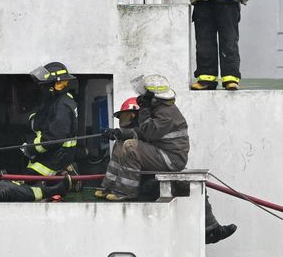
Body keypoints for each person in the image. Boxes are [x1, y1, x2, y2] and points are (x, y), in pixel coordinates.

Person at [98, 74, 237, 244]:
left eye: (146, 96)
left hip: (170, 158)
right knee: (122, 143)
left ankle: (126, 192)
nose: (142, 99)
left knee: (130, 147)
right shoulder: (160, 110)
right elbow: (143, 133)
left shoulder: (166, 113)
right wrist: (120, 133)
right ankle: (109, 187)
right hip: (160, 152)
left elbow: (148, 132)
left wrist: (144, 111)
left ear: (154, 98)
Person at [22, 61, 79, 180]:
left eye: (44, 84)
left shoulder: (62, 105)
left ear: (56, 85)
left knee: (26, 182)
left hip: (57, 156)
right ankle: (66, 173)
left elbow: (54, 137)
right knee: (25, 177)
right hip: (48, 153)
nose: (41, 87)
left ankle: (66, 175)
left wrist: (31, 148)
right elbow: (40, 120)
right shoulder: (54, 100)